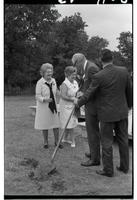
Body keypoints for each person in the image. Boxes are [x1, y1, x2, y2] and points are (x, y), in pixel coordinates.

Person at [74, 49, 132, 177]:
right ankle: (124, 167)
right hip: (122, 112)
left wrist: (78, 103)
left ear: (101, 60)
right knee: (123, 140)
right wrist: (129, 106)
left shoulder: (99, 76)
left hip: (107, 114)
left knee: (107, 142)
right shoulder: (124, 71)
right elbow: (129, 91)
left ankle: (108, 170)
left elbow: (88, 94)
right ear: (113, 58)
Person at [72, 53, 101, 166]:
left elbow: (94, 88)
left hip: (94, 105)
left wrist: (79, 102)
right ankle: (94, 153)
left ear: (79, 61)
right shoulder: (86, 68)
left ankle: (95, 159)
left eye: (74, 64)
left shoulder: (91, 68)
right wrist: (80, 91)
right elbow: (87, 85)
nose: (75, 68)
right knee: (91, 131)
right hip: (90, 104)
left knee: (92, 132)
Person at [34, 63, 63, 149]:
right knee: (45, 125)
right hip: (44, 107)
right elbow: (37, 96)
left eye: (51, 72)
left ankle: (57, 142)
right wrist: (45, 100)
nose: (49, 74)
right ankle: (46, 142)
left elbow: (56, 91)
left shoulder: (53, 81)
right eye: (47, 72)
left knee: (56, 124)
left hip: (53, 106)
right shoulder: (40, 83)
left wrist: (62, 94)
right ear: (42, 73)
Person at [59, 66, 79, 147]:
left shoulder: (75, 82)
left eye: (75, 74)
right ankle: (73, 141)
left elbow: (77, 92)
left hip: (73, 105)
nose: (74, 76)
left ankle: (65, 138)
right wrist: (73, 99)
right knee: (69, 123)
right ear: (67, 74)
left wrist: (78, 96)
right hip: (66, 106)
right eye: (72, 75)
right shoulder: (64, 84)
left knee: (71, 122)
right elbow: (63, 96)